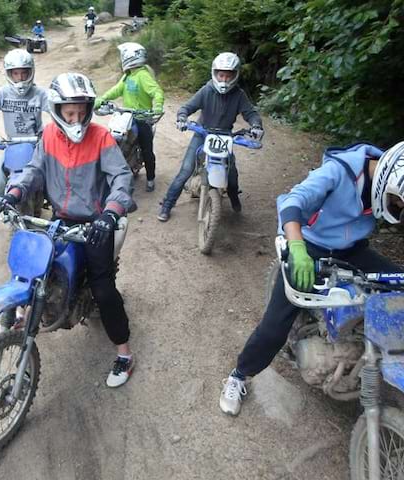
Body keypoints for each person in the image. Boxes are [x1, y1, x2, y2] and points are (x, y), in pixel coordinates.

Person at [219, 141, 404, 416]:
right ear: (389, 184)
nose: (398, 207)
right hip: (310, 246)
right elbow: (292, 202)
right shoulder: (337, 172)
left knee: (398, 285)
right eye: (398, 201)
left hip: (352, 249)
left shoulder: (385, 184)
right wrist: (297, 249)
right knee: (275, 326)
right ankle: (239, 375)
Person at [0, 72, 136, 387]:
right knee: (31, 269)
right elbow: (33, 170)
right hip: (60, 219)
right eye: (70, 112)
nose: (77, 118)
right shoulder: (48, 136)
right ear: (57, 111)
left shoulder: (101, 137)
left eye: (82, 111)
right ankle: (22, 317)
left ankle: (124, 353)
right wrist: (13, 194)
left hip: (96, 223)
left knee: (104, 289)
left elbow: (122, 177)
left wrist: (111, 213)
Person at [157, 52, 264, 221]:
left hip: (225, 137)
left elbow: (250, 113)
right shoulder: (207, 90)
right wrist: (182, 118)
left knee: (232, 174)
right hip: (203, 133)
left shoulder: (239, 95)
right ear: (215, 73)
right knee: (185, 171)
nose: (224, 80)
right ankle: (167, 205)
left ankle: (234, 199)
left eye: (228, 76)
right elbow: (187, 107)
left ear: (235, 76)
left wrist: (256, 125)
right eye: (221, 75)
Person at [0, 48, 49, 240]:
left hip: (37, 145)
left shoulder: (39, 93)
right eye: (15, 73)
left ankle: (60, 216)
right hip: (12, 146)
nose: (20, 78)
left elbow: (56, 111)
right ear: (9, 74)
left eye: (24, 73)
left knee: (56, 177)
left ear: (31, 72)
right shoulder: (2, 93)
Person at [95, 42, 165, 192]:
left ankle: (151, 178)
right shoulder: (128, 75)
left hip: (142, 118)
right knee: (112, 138)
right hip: (126, 116)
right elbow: (116, 90)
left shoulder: (143, 75)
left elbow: (157, 92)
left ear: (130, 57)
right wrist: (101, 99)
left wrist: (157, 106)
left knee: (147, 149)